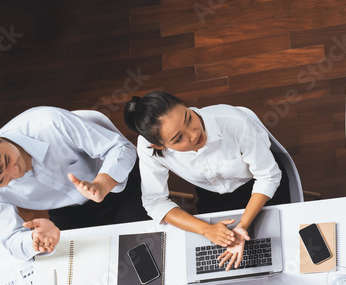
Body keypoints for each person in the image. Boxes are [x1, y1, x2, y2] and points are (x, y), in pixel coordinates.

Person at [0, 106, 149, 260]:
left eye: (7, 160)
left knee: (147, 251)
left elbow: (121, 149)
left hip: (117, 187)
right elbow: (12, 239)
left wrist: (102, 184)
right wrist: (33, 239)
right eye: (2, 181)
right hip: (68, 213)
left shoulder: (48, 123)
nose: (16, 172)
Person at [123, 92, 290, 270]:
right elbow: (155, 202)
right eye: (178, 138)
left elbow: (268, 176)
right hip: (213, 196)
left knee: (276, 254)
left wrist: (243, 225)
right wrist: (206, 229)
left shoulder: (233, 121)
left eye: (188, 119)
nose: (194, 134)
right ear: (160, 146)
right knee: (216, 263)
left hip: (261, 189)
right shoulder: (148, 146)